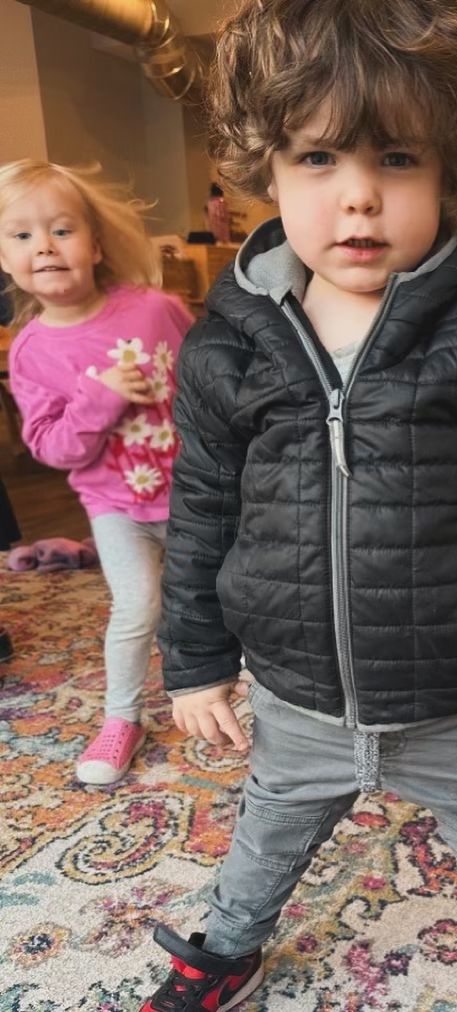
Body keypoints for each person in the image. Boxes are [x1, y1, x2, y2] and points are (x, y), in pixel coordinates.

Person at [144, 2, 457, 1010]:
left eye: (397, 159)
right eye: (318, 159)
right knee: (267, 836)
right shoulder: (227, 342)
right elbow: (200, 509)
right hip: (294, 696)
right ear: (266, 169)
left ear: (449, 170)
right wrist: (194, 662)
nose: (358, 196)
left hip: (451, 693)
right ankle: (225, 951)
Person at [0, 159, 193, 784]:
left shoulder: (155, 309)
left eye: (61, 230)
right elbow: (53, 448)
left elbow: (211, 378)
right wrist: (99, 397)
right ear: (4, 258)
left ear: (96, 245)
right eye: (22, 235)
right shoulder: (31, 351)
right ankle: (121, 717)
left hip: (197, 497)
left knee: (220, 599)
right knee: (137, 608)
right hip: (116, 509)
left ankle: (238, 688)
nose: (45, 246)